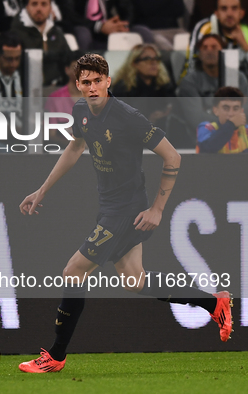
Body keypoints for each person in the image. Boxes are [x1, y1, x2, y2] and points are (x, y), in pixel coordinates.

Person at [17, 53, 233, 373]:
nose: (92, 88)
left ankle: (56, 355)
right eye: (85, 82)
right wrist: (42, 190)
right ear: (78, 85)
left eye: (97, 81)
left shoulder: (128, 117)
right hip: (110, 205)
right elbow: (76, 147)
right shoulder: (81, 110)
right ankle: (214, 303)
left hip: (127, 209)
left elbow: (173, 157)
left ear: (108, 82)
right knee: (134, 280)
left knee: (73, 272)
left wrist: (157, 209)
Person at [178, 34, 248, 140]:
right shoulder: (190, 81)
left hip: (238, 139)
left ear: (223, 52)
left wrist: (209, 112)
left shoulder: (237, 77)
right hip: (204, 139)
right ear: (199, 54)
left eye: (214, 47)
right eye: (205, 48)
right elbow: (195, 119)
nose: (209, 51)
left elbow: (246, 111)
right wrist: (231, 122)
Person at [112, 44, 175, 127]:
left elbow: (176, 109)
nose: (153, 62)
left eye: (156, 59)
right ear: (134, 63)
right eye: (147, 59)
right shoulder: (123, 88)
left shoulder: (163, 84)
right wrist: (149, 121)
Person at [11, 0, 72, 86]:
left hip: (58, 90)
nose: (39, 9)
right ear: (27, 7)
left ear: (50, 8)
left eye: (44, 4)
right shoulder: (16, 33)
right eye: (34, 4)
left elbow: (69, 61)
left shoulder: (57, 32)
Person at [55, 0, 154, 50]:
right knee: (83, 33)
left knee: (143, 32)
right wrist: (99, 26)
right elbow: (69, 16)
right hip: (82, 28)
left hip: (109, 26)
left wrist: (123, 25)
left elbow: (128, 8)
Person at [186, 0, 248, 76]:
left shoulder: (246, 32)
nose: (229, 14)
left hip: (238, 83)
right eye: (224, 9)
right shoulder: (205, 28)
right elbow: (192, 64)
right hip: (203, 81)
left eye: (234, 8)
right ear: (216, 13)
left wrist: (244, 45)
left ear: (241, 13)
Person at [197, 86, 248, 153]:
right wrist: (231, 124)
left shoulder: (246, 131)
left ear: (241, 111)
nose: (231, 113)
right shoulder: (206, 127)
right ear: (215, 110)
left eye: (235, 109)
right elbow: (207, 149)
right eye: (226, 108)